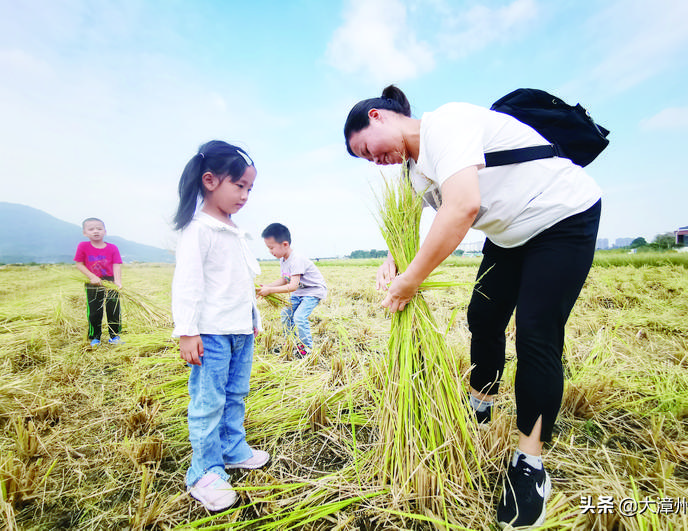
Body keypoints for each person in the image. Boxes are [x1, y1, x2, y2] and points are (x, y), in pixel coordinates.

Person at [344, 85, 601, 529]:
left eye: (367, 149)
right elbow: (410, 223)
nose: (374, 160)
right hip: (509, 235)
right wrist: (394, 259)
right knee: (482, 317)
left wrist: (412, 280)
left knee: (536, 333)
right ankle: (481, 405)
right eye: (366, 160)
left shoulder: (448, 122)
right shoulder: (412, 173)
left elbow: (463, 206)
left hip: (562, 217)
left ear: (378, 116)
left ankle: (530, 464)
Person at [171, 140, 270, 512]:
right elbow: (188, 283)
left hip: (240, 331)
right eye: (239, 186)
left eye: (249, 188)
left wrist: (253, 321)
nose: (245, 195)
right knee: (208, 401)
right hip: (210, 333)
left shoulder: (234, 230)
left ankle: (231, 449)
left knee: (236, 393)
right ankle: (204, 471)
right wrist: (187, 331)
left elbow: (242, 282)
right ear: (210, 181)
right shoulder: (199, 230)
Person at [258, 223, 327, 358]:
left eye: (271, 248)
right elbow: (284, 279)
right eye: (268, 248)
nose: (270, 252)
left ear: (285, 244)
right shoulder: (283, 260)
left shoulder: (297, 259)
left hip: (312, 291)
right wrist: (267, 287)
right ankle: (290, 343)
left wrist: (270, 290)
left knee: (299, 317)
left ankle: (307, 349)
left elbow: (292, 286)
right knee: (285, 315)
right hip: (299, 293)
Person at [74, 218, 123, 346]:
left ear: (105, 231)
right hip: (92, 283)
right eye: (91, 229)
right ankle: (95, 337)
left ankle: (115, 336)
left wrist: (117, 281)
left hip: (110, 282)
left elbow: (117, 265)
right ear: (85, 233)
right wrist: (92, 277)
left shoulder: (112, 248)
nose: (96, 231)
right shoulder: (83, 246)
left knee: (114, 310)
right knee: (95, 311)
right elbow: (79, 264)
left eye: (99, 228)